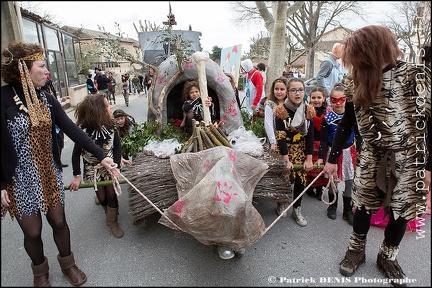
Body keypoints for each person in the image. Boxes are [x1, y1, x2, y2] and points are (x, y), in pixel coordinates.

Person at [1, 41, 118, 287]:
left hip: (48, 173)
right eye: (42, 66)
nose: (47, 71)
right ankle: (40, 272)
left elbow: (74, 131)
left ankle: (68, 264)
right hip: (19, 178)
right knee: (32, 232)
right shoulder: (2, 99)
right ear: (24, 68)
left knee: (58, 221)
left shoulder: (47, 98)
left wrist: (102, 156)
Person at [323, 25, 431, 286]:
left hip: (410, 158)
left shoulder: (417, 75)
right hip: (371, 156)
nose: (355, 61)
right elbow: (346, 124)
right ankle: (356, 250)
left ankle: (388, 256)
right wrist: (331, 159)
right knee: (364, 206)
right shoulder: (356, 81)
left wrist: (429, 166)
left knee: (402, 211)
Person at [69, 93, 124, 238]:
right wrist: (76, 175)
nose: (110, 107)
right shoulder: (82, 130)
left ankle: (112, 222)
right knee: (102, 198)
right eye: (106, 105)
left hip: (110, 166)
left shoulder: (112, 125)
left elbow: (117, 147)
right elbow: (75, 155)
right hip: (92, 169)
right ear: (98, 110)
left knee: (111, 195)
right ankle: (108, 211)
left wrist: (117, 166)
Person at [317, 83, 362, 223]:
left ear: (347, 99)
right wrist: (320, 157)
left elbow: (358, 135)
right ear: (330, 100)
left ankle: (347, 210)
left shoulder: (353, 116)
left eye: (341, 100)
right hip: (332, 153)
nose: (338, 103)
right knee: (332, 180)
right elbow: (323, 140)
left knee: (350, 180)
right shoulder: (327, 118)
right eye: (334, 100)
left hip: (349, 152)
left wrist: (360, 150)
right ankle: (332, 205)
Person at [274, 78, 315, 226]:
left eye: (300, 90)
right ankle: (281, 203)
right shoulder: (281, 110)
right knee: (285, 178)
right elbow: (280, 137)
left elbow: (310, 135)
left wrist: (309, 159)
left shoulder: (309, 110)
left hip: (301, 149)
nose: (297, 93)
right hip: (285, 149)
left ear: (304, 92)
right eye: (293, 90)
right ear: (288, 92)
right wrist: (286, 159)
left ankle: (296, 208)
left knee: (301, 179)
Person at [305, 87, 329, 200]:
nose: (316, 100)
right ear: (310, 99)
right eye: (313, 97)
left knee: (321, 166)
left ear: (323, 98)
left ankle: (320, 189)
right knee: (311, 166)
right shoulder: (307, 111)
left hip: (323, 143)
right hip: (311, 142)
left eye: (319, 97)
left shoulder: (328, 112)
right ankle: (309, 187)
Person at [264, 77, 288, 153]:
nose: (279, 92)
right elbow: (268, 124)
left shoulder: (290, 104)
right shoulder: (270, 104)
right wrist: (273, 142)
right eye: (276, 89)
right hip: (275, 138)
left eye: (282, 89)